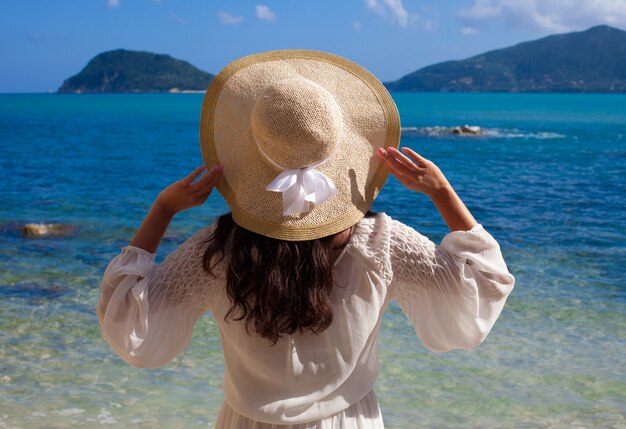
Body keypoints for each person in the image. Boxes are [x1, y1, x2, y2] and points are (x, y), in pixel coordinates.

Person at [96, 50, 515, 428]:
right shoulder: (381, 244)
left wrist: (163, 209)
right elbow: (478, 293)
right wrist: (442, 193)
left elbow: (132, 327)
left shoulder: (218, 249)